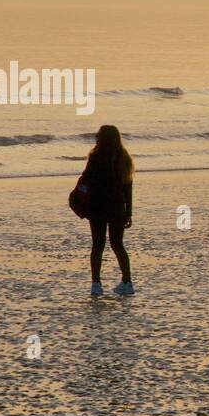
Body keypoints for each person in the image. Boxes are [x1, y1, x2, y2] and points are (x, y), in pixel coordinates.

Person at [78, 125, 134, 296]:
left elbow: (85, 179)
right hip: (117, 207)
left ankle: (96, 284)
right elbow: (128, 187)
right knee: (118, 245)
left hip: (97, 206)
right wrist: (129, 211)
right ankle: (127, 282)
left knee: (97, 245)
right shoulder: (124, 158)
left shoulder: (95, 157)